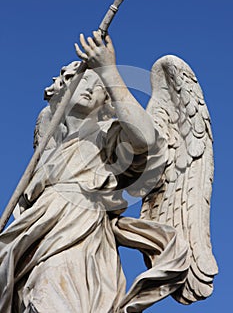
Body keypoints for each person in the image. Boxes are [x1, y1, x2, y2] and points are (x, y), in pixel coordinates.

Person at [0, 31, 189, 313]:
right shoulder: (49, 141)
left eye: (98, 84)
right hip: (36, 231)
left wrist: (110, 71)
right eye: (84, 78)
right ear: (63, 87)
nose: (91, 85)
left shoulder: (108, 135)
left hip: (82, 233)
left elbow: (146, 140)